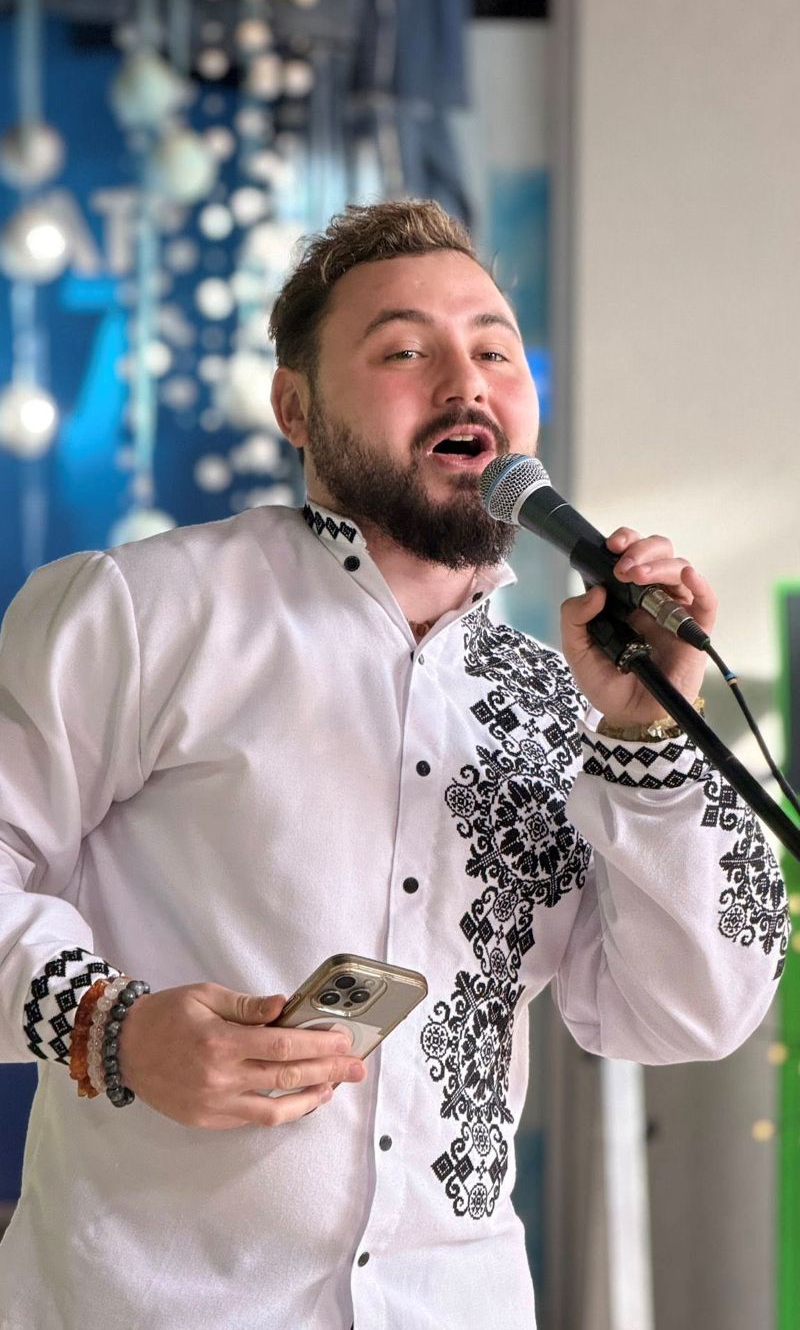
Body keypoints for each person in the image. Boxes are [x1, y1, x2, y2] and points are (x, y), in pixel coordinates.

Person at [0, 199, 787, 1329]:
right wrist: (108, 1028)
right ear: (296, 407)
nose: (466, 383)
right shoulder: (144, 611)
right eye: (405, 351)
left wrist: (648, 735)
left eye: (495, 352)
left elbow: (687, 1015)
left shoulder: (567, 699)